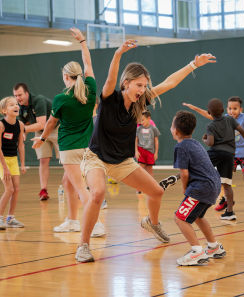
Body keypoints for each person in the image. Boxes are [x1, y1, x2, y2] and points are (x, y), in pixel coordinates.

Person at [76, 39, 216, 262]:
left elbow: (169, 83)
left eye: (144, 86)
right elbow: (111, 78)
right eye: (138, 85)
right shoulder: (109, 98)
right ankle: (83, 245)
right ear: (127, 83)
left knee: (156, 192)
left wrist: (193, 65)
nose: (142, 90)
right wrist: (118, 53)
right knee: (98, 193)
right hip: (97, 158)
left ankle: (152, 222)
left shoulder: (141, 103)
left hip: (122, 161)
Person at [32, 28, 105, 237]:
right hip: (88, 146)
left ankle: (97, 224)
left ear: (65, 76)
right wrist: (82, 40)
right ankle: (73, 221)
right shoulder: (90, 88)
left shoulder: (60, 98)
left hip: (69, 147)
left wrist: (42, 139)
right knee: (68, 182)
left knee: (81, 188)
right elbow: (88, 63)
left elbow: (50, 123)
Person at [183, 96, 244, 212]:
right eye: (229, 108)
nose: (232, 111)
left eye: (235, 108)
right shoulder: (226, 118)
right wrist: (195, 108)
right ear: (225, 109)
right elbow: (209, 115)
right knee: (223, 179)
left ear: (240, 110)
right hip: (230, 154)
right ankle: (227, 200)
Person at [171, 110, 226, 266]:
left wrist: (184, 188)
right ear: (193, 130)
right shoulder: (195, 143)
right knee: (198, 217)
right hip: (213, 185)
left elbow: (184, 172)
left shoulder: (180, 147)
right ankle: (214, 247)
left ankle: (197, 251)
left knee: (180, 218)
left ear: (175, 130)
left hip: (201, 187)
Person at [14, 82, 59, 201]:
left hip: (56, 129)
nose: (18, 98)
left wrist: (21, 129)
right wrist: (22, 134)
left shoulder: (38, 100)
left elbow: (41, 124)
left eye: (20, 95)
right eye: (15, 96)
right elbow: (24, 124)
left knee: (67, 161)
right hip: (40, 133)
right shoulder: (20, 107)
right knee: (43, 160)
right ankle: (43, 190)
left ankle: (80, 189)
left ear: (27, 93)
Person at [0, 97, 26, 229]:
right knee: (9, 189)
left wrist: (22, 164)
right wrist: (5, 168)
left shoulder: (20, 125)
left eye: (16, 104)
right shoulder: (0, 125)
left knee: (16, 189)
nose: (16, 106)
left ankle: (10, 218)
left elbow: (21, 146)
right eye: (12, 105)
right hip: (2, 160)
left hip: (13, 159)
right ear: (4, 110)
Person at [135, 110, 161, 194]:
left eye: (142, 120)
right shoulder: (138, 128)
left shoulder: (153, 128)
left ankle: (151, 186)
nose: (141, 122)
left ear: (149, 118)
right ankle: (139, 187)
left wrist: (156, 152)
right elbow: (136, 140)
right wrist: (136, 151)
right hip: (141, 150)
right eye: (140, 120)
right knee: (141, 169)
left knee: (150, 170)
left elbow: (156, 141)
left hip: (150, 151)